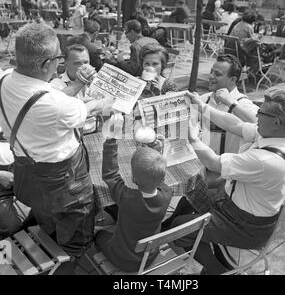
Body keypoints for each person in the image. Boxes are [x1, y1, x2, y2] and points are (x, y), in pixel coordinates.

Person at [0, 22, 114, 274]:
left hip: (28, 178)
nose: (60, 63)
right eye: (58, 58)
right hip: (65, 186)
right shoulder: (60, 106)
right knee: (76, 242)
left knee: (47, 218)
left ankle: (51, 239)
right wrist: (106, 100)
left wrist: (77, 85)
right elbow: (86, 108)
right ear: (44, 64)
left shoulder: (5, 79)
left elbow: (45, 96)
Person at [169, 89, 285, 275]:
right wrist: (202, 107)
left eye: (261, 113)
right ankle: (197, 239)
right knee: (192, 194)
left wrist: (192, 138)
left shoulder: (266, 161)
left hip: (244, 226)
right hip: (240, 208)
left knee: (178, 229)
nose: (256, 114)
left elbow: (213, 162)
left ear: (277, 122)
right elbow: (236, 125)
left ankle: (218, 270)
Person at [162, 54, 258, 229]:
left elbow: (258, 124)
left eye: (218, 74)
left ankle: (181, 227)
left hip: (223, 172)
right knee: (164, 178)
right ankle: (173, 223)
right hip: (199, 162)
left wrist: (231, 104)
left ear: (233, 79)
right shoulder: (205, 98)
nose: (211, 76)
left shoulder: (242, 103)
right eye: (211, 71)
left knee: (181, 188)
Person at [95, 114, 172, 272]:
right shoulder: (167, 193)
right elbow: (158, 173)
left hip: (122, 259)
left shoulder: (127, 198)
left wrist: (111, 140)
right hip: (149, 256)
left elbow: (110, 175)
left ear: (133, 178)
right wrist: (159, 153)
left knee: (99, 235)